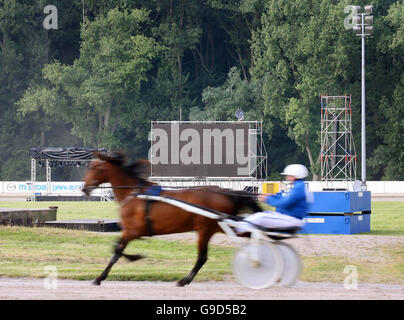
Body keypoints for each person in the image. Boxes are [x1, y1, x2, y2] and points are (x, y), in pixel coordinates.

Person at [236, 164, 310, 233]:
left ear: (295, 176)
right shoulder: (300, 186)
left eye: (288, 175)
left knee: (261, 217)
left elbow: (284, 204)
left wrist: (267, 199)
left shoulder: (298, 188)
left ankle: (237, 229)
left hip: (292, 219)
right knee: (263, 214)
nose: (287, 177)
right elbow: (284, 199)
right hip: (291, 218)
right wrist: (270, 196)